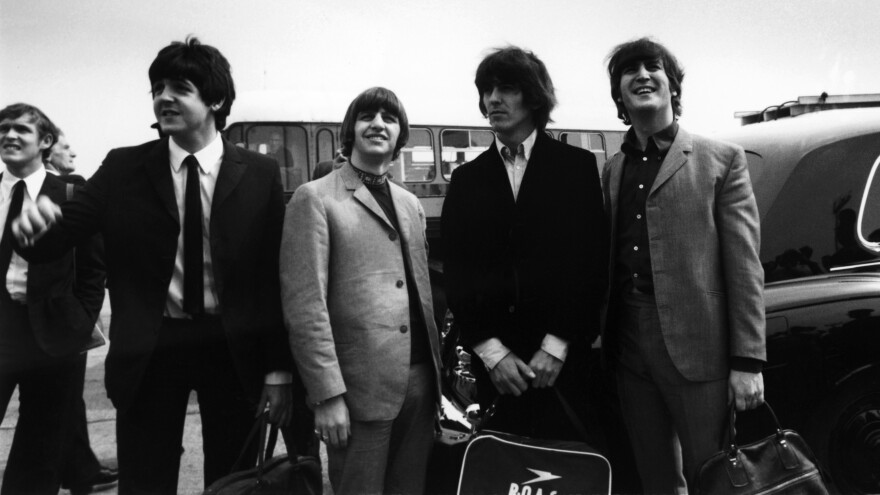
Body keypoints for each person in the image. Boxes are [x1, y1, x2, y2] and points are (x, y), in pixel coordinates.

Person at [12, 37, 293, 494]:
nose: (164, 97)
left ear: (216, 99)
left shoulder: (259, 175)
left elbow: (270, 280)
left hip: (231, 348)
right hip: (152, 348)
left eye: (180, 87)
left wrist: (278, 368)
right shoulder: (124, 168)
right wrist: (34, 230)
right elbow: (59, 238)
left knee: (233, 480)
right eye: (158, 87)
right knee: (145, 479)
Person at [602, 37, 766, 492]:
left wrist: (747, 362)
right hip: (629, 348)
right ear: (619, 93)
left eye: (652, 66)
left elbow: (745, 267)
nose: (641, 75)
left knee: (713, 475)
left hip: (700, 351)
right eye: (628, 70)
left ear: (672, 86)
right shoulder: (613, 169)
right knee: (655, 477)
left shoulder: (721, 160)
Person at [441, 46, 608, 441]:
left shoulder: (577, 168)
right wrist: (492, 353)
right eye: (487, 90)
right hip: (497, 372)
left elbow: (590, 264)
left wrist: (557, 345)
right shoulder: (466, 180)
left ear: (533, 96)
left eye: (507, 88)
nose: (493, 99)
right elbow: (458, 274)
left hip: (565, 367)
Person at [281, 87, 442, 495]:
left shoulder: (410, 204)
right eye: (366, 116)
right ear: (350, 131)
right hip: (357, 393)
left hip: (420, 385)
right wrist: (326, 395)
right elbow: (305, 305)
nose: (378, 124)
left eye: (389, 118)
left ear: (401, 133)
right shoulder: (315, 198)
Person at [0, 103, 105, 495]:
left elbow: (94, 269)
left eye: (20, 130)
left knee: (40, 451)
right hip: (1, 327)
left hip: (55, 332)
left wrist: (81, 321)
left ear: (45, 141)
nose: (9, 135)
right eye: (3, 128)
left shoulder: (74, 194)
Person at [41, 127, 120, 494]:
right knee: (61, 401)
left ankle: (78, 469)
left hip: (66, 316)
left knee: (66, 398)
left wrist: (85, 314)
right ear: (45, 152)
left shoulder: (73, 188)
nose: (72, 152)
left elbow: (93, 261)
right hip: (40, 319)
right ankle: (77, 469)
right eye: (65, 146)